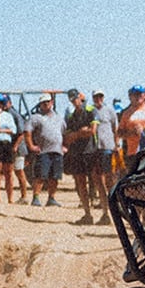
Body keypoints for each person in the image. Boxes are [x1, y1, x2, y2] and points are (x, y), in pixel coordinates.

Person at [25, 92, 67, 207]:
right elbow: (27, 132)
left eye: (47, 102)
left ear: (52, 102)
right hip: (43, 151)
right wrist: (31, 146)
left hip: (57, 151)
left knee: (55, 176)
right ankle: (36, 198)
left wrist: (65, 146)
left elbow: (65, 133)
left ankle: (51, 198)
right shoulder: (35, 118)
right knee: (40, 175)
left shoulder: (59, 118)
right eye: (43, 103)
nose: (45, 104)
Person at [64, 89, 98, 223]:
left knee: (97, 181)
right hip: (78, 152)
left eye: (76, 98)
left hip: (91, 151)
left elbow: (92, 131)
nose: (75, 101)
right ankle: (87, 213)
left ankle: (105, 213)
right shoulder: (72, 116)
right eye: (72, 100)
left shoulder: (90, 111)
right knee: (81, 183)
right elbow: (68, 137)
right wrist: (80, 133)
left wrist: (77, 134)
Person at [91, 88, 118, 224]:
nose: (98, 99)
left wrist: (116, 145)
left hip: (108, 147)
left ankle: (114, 211)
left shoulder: (109, 110)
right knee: (98, 180)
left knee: (110, 180)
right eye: (96, 97)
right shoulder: (91, 111)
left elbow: (115, 128)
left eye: (100, 96)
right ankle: (105, 212)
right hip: (95, 149)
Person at [117, 84, 145, 161]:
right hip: (133, 152)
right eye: (135, 94)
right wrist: (131, 133)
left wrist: (144, 130)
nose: (138, 97)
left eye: (140, 94)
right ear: (130, 97)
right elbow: (119, 132)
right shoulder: (126, 113)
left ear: (144, 96)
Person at [4, 95, 31, 203]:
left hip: (18, 148)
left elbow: (21, 133)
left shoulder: (14, 115)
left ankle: (24, 196)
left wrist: (15, 146)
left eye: (5, 102)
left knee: (19, 171)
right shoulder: (6, 114)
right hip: (12, 147)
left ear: (10, 103)